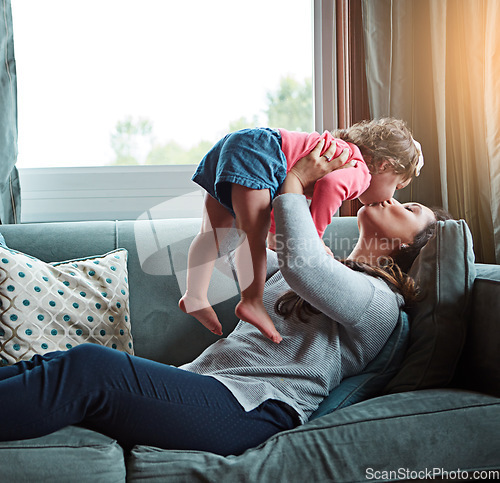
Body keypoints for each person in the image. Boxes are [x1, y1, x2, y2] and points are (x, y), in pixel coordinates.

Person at [0, 147, 447, 457]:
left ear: (408, 247)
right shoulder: (324, 266)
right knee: (52, 363)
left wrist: (294, 185)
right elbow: (234, 250)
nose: (395, 200)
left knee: (89, 368)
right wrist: (253, 170)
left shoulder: (380, 303)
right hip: (209, 389)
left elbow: (304, 268)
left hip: (249, 412)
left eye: (410, 211)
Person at [179, 118, 425, 343]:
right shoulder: (358, 168)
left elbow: (278, 199)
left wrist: (278, 234)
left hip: (237, 143)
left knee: (211, 234)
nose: (391, 198)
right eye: (397, 186)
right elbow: (330, 187)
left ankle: (194, 295)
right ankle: (251, 301)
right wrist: (314, 236)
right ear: (384, 165)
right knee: (252, 236)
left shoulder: (335, 148)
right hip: (262, 152)